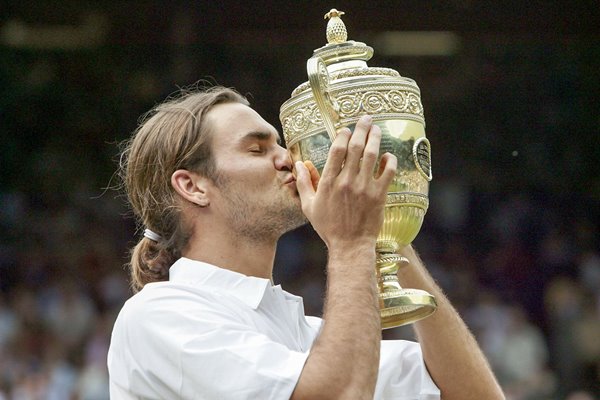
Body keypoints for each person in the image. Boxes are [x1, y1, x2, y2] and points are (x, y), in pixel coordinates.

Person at [107, 86, 504, 399]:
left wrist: (386, 226)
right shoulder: (159, 315)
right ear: (193, 186)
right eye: (257, 148)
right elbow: (337, 394)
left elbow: (474, 396)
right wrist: (352, 242)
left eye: (282, 145)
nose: (289, 160)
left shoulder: (306, 334)